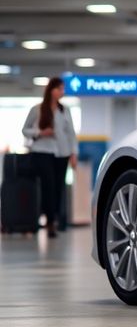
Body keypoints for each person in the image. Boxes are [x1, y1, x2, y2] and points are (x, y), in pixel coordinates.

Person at [20, 77, 78, 237]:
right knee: (48, 186)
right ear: (50, 90)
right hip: (42, 152)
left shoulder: (65, 110)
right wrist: (40, 133)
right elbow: (25, 129)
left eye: (62, 89)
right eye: (58, 89)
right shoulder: (37, 109)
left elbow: (71, 134)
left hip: (62, 153)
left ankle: (57, 219)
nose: (61, 92)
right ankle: (50, 222)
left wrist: (74, 154)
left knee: (58, 187)